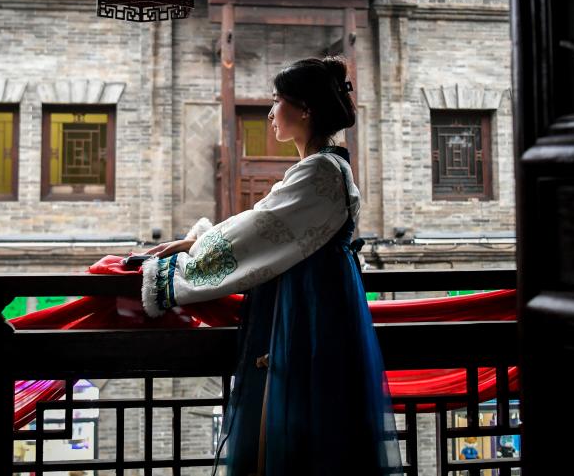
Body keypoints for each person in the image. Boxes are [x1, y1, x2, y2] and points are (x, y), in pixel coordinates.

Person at [133, 56, 402, 475]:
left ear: (305, 109)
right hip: (316, 294)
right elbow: (261, 222)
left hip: (310, 302)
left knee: (303, 418)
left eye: (277, 100)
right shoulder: (322, 167)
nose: (271, 112)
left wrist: (182, 263)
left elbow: (260, 229)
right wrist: (195, 241)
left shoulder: (321, 171)